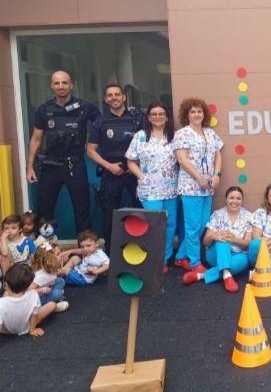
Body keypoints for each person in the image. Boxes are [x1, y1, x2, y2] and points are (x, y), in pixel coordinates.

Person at [26, 70, 101, 233]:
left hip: (75, 164)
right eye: (57, 83)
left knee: (82, 210)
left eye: (64, 83)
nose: (61, 86)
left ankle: (86, 252)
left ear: (71, 85)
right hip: (50, 165)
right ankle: (45, 253)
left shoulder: (85, 107)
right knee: (44, 211)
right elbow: (36, 139)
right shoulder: (44, 110)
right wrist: (29, 167)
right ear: (52, 86)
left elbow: (104, 125)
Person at [88, 84, 144, 252]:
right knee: (109, 214)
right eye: (110, 95)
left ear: (124, 97)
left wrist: (136, 164)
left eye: (117, 94)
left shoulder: (137, 119)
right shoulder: (100, 122)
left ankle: (142, 247)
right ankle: (112, 252)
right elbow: (90, 151)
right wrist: (109, 166)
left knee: (141, 211)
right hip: (111, 172)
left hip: (134, 171)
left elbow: (147, 145)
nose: (114, 98)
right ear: (106, 99)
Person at [126, 101, 178, 273]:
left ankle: (165, 259)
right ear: (148, 117)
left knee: (170, 225)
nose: (157, 117)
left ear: (167, 117)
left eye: (161, 114)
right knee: (155, 225)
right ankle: (154, 259)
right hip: (149, 190)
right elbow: (131, 161)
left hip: (171, 188)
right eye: (154, 114)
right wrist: (142, 176)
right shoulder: (140, 136)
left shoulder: (174, 136)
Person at [172, 98, 223, 274]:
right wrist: (199, 177)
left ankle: (180, 256)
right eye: (192, 111)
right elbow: (182, 158)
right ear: (187, 114)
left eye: (199, 111)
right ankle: (194, 262)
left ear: (204, 114)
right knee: (192, 226)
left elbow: (218, 154)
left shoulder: (210, 133)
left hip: (208, 186)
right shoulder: (182, 133)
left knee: (202, 225)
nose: (196, 114)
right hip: (190, 187)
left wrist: (216, 175)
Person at [182, 186, 252, 292]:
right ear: (226, 199)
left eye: (238, 198)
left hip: (237, 256)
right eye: (231, 198)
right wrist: (214, 236)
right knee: (222, 240)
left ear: (242, 201)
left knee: (242, 260)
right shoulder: (217, 214)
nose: (235, 201)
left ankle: (201, 276)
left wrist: (234, 239)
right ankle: (226, 275)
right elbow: (205, 241)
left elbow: (248, 243)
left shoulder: (248, 216)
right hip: (216, 255)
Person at [0, 264, 59, 337]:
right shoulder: (34, 295)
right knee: (52, 305)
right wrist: (32, 330)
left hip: (7, 330)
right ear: (28, 286)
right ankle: (54, 307)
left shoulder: (1, 303)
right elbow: (34, 315)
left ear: (6, 284)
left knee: (6, 295)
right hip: (27, 326)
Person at [29, 242, 68, 311]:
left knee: (60, 281)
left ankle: (52, 299)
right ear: (49, 260)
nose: (61, 255)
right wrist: (43, 290)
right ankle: (45, 306)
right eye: (58, 254)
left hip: (45, 288)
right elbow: (28, 291)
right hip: (34, 299)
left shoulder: (49, 269)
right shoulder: (41, 276)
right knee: (58, 294)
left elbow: (57, 273)